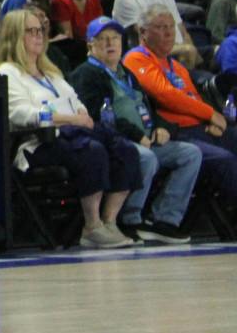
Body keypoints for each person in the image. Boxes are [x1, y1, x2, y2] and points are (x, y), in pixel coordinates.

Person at [125, 7, 237, 238]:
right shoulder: (137, 58)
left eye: (171, 27)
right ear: (143, 32)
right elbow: (165, 95)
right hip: (178, 134)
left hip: (201, 129)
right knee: (225, 159)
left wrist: (211, 118)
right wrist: (209, 114)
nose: (169, 33)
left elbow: (193, 98)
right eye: (161, 28)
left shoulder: (175, 66)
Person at [0, 4, 138, 249]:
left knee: (124, 149)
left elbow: (77, 103)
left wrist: (76, 115)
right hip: (37, 143)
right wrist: (69, 118)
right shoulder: (8, 72)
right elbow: (22, 114)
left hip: (71, 133)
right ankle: (91, 226)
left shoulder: (51, 72)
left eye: (40, 30)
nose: (39, 35)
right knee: (92, 150)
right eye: (30, 31)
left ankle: (109, 221)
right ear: (15, 37)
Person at [67, 17, 198, 245]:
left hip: (147, 138)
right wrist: (136, 135)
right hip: (119, 143)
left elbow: (148, 108)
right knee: (146, 158)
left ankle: (164, 220)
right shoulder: (86, 74)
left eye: (115, 38)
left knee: (190, 154)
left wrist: (161, 127)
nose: (111, 44)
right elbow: (98, 118)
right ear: (90, 45)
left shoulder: (126, 73)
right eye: (103, 39)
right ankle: (129, 219)